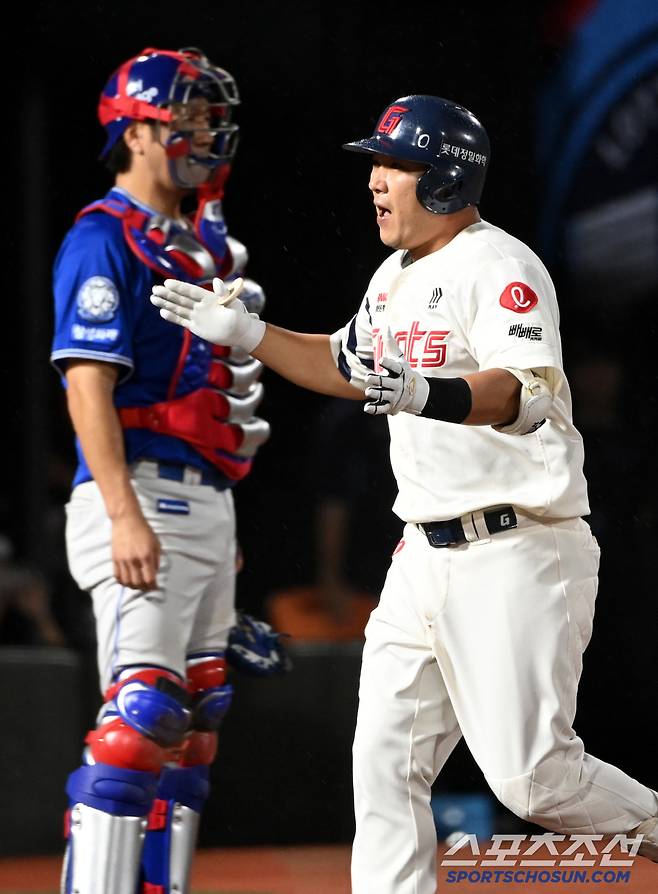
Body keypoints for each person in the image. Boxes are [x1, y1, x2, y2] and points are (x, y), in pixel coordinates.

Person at [151, 95, 658, 892]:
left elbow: (522, 392)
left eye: (397, 165)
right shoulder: (394, 274)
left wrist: (425, 390)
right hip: (422, 554)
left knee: (536, 780)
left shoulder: (503, 266)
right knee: (384, 765)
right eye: (377, 164)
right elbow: (346, 366)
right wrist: (252, 336)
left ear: (449, 179)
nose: (377, 181)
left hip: (516, 546)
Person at [50, 46, 279, 894]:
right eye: (187, 117)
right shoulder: (101, 239)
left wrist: (221, 528)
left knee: (195, 723)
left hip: (204, 505)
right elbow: (86, 389)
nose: (205, 134)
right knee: (139, 717)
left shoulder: (192, 246)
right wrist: (121, 514)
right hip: (137, 495)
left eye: (211, 118)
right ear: (137, 130)